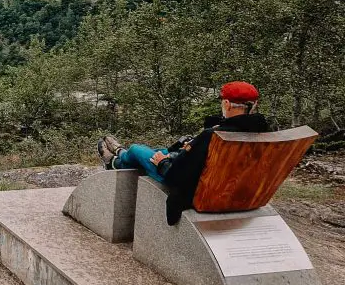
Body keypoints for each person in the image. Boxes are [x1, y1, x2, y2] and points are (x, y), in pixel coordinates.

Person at [97, 82, 270, 225]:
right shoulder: (264, 134)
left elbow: (177, 176)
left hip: (197, 191)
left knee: (137, 150)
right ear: (254, 105)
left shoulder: (214, 136)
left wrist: (163, 163)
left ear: (226, 104)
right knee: (163, 151)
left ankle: (116, 160)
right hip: (238, 191)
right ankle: (120, 155)